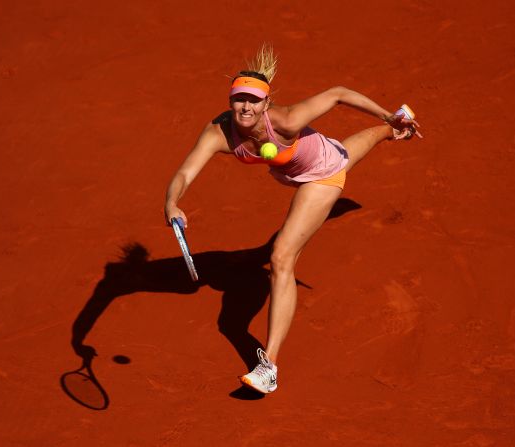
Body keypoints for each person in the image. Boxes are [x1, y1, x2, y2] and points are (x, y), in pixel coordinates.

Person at [164, 44, 421, 394]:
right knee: (349, 150)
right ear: (230, 101)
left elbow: (338, 93)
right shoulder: (218, 133)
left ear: (267, 105)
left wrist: (382, 113)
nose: (246, 106)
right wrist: (172, 202)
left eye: (254, 100)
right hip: (297, 168)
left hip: (321, 176)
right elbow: (184, 172)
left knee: (281, 256)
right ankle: (394, 130)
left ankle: (267, 366)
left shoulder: (286, 120)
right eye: (239, 98)